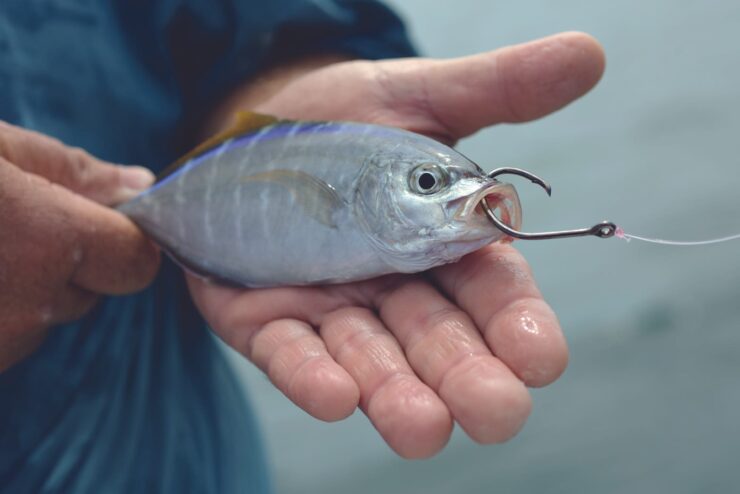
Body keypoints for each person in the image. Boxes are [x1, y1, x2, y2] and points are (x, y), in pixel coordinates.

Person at [0, 1, 605, 492]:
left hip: (172, 441)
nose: (453, 197)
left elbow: (237, 20)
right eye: (427, 183)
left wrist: (282, 76)